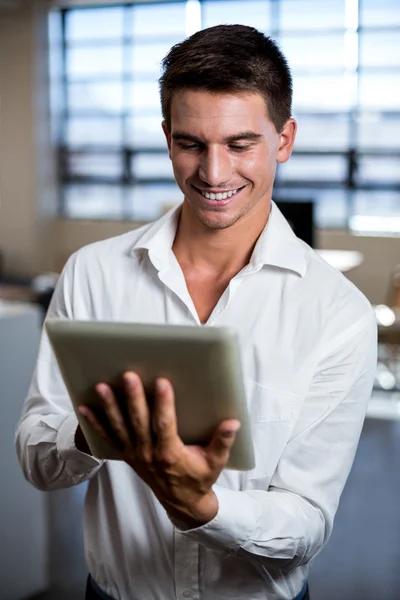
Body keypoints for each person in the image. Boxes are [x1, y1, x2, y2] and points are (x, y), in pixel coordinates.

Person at [15, 24, 377, 600]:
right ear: (166, 138)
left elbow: (308, 522)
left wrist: (203, 506)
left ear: (283, 140)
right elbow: (37, 459)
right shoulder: (93, 273)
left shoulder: (338, 314)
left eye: (239, 145)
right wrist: (95, 431)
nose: (213, 174)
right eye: (191, 144)